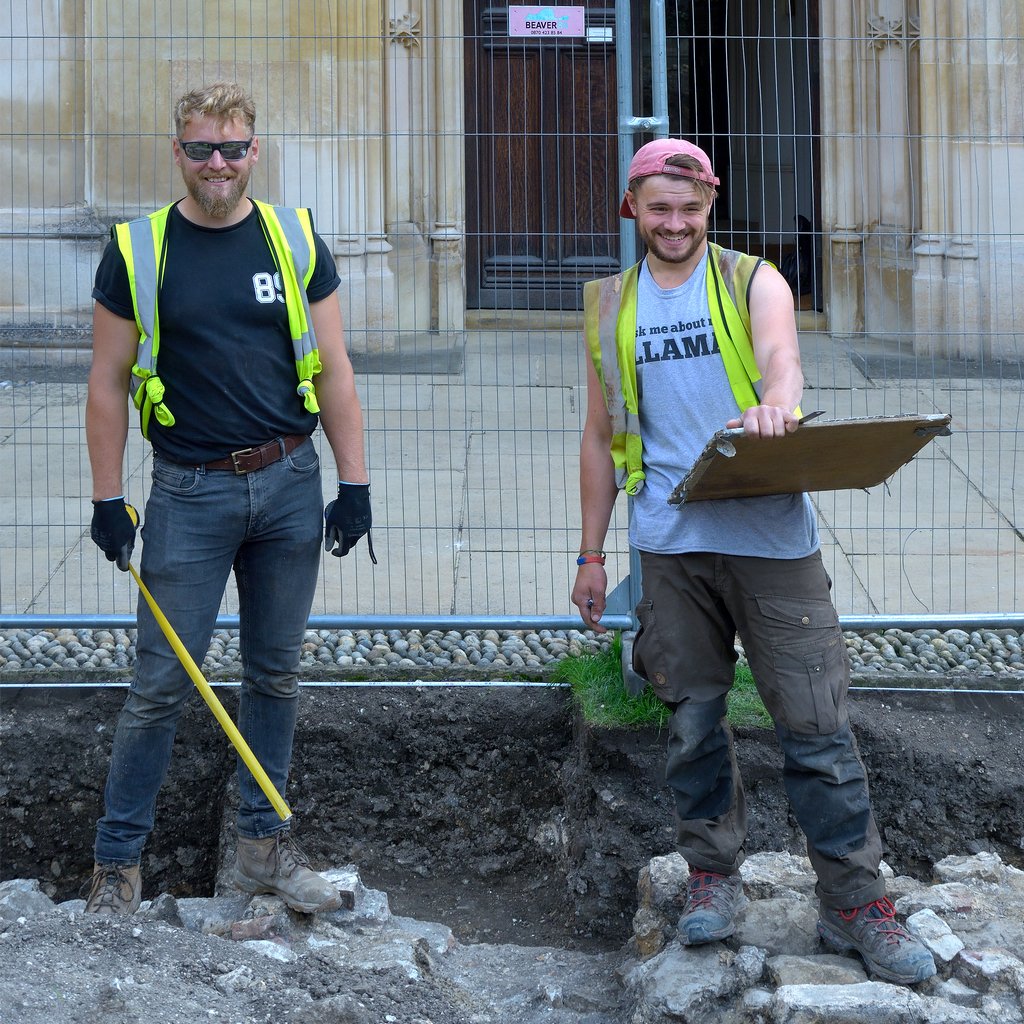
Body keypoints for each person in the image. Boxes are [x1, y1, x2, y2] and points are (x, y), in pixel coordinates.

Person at [570, 138, 935, 985]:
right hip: (670, 544)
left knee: (816, 725)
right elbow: (596, 437)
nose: (674, 223)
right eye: (658, 208)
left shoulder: (750, 281)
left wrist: (776, 408)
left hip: (772, 544)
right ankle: (712, 879)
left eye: (689, 209)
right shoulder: (603, 305)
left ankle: (854, 903)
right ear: (633, 207)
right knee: (694, 721)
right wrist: (592, 553)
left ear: (709, 207)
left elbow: (783, 363)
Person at [85, 82, 374, 916]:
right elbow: (106, 383)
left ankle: (261, 853)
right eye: (201, 149)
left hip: (289, 483)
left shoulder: (294, 238)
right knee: (158, 687)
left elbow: (336, 366)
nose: (219, 164)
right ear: (177, 152)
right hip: (189, 494)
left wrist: (354, 485)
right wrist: (111, 499)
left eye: (233, 148)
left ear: (255, 151)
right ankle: (116, 866)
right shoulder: (138, 249)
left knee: (275, 676)